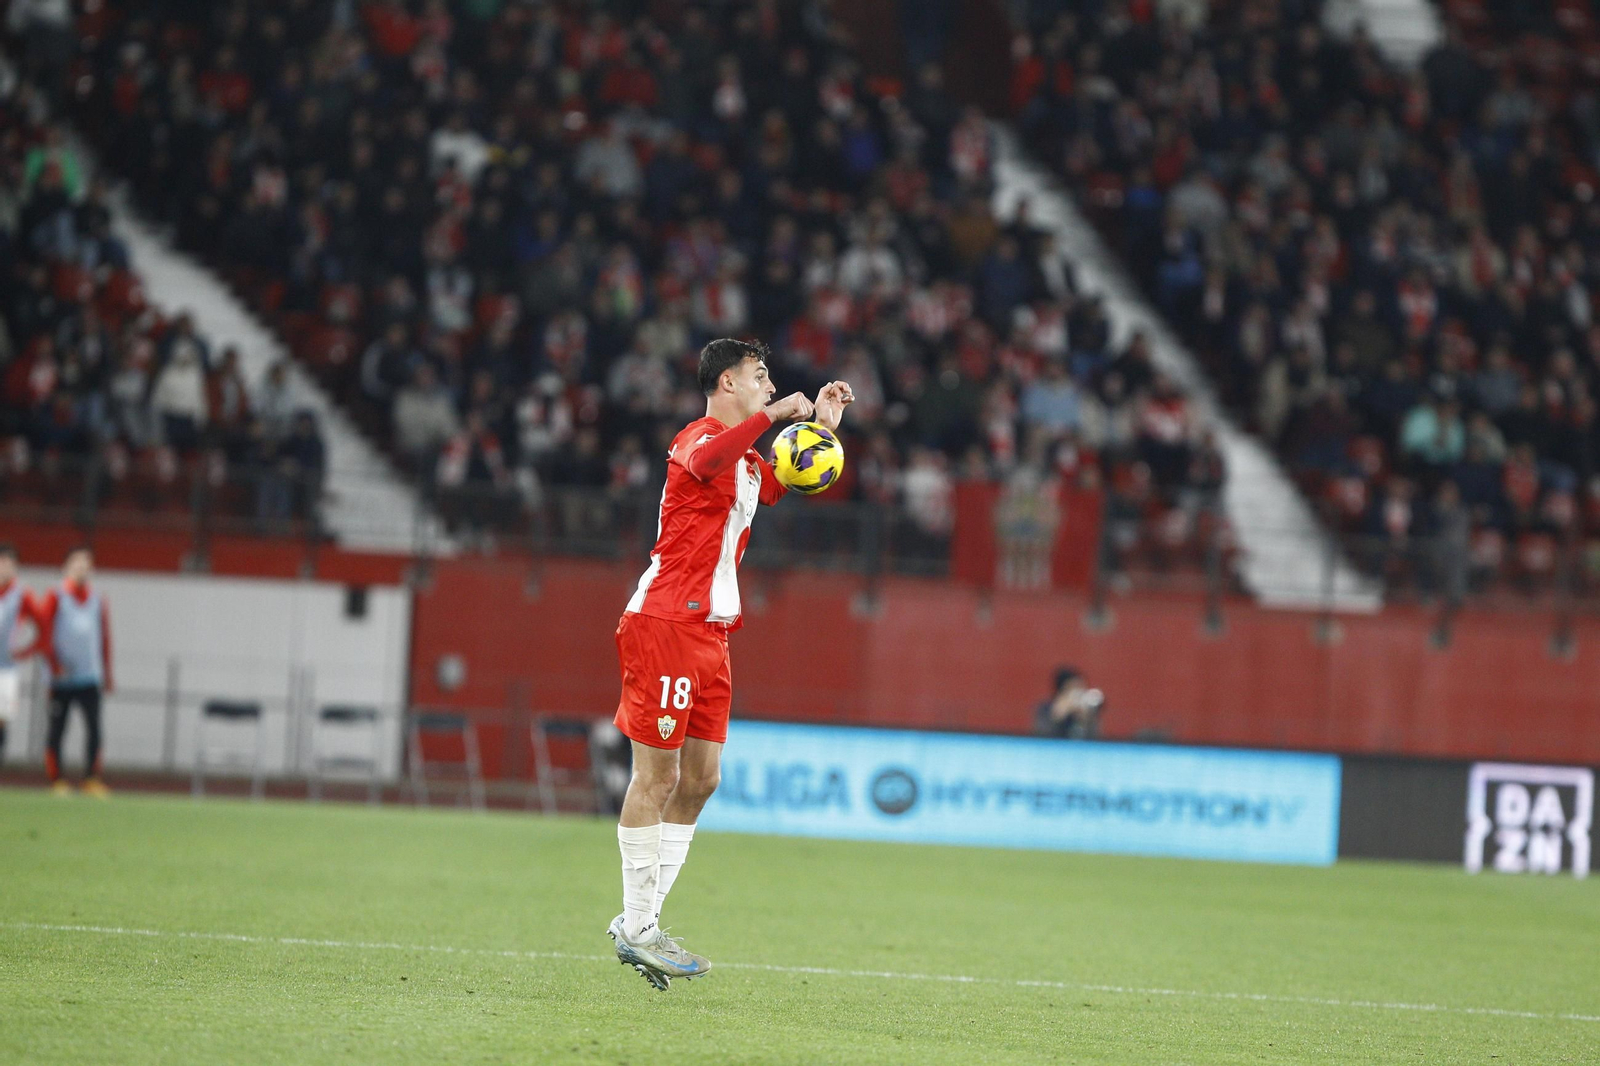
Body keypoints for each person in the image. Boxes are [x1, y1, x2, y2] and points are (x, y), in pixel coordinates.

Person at [607, 338, 852, 990]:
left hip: (713, 634)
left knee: (702, 780)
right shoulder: (701, 437)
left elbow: (775, 483)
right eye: (759, 374)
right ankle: (637, 928)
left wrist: (820, 430)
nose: (769, 383)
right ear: (725, 382)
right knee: (655, 780)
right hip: (665, 622)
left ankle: (644, 922)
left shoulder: (744, 460)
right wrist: (775, 420)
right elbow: (712, 456)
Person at [30, 548, 114, 796]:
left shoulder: (98, 600)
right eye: (77, 565)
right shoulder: (55, 596)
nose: (82, 570)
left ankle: (92, 778)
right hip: (61, 679)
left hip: (89, 677)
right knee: (57, 729)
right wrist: (54, 665)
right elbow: (44, 634)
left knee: (94, 729)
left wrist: (107, 673)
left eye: (87, 565)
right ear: (66, 567)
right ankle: (57, 780)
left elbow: (104, 638)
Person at [0, 543, 44, 765]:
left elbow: (42, 625)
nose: (6, 569)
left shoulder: (22, 595)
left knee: (1, 718)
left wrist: (26, 651)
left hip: (5, 668)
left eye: (10, 565)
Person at [1034, 666, 1104, 740]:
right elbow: (1041, 735)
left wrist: (1085, 720)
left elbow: (1094, 738)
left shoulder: (1087, 710)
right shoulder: (1044, 709)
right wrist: (1057, 716)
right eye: (1073, 690)